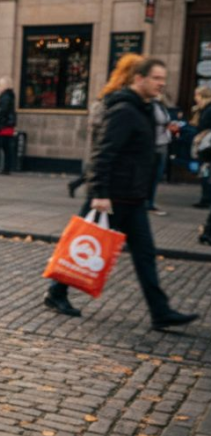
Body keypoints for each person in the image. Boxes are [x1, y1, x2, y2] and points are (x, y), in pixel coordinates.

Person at [44, 58, 198, 331]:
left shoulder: (146, 109)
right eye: (156, 78)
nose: (162, 83)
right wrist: (99, 193)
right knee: (80, 246)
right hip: (111, 199)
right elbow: (103, 153)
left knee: (145, 255)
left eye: (163, 78)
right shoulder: (125, 110)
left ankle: (160, 311)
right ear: (139, 79)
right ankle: (56, 292)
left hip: (133, 198)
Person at [68, 54, 143, 198]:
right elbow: (104, 148)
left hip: (127, 184)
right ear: (136, 77)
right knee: (93, 215)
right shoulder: (118, 102)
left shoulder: (140, 104)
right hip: (113, 180)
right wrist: (100, 191)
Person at [0, 77, 16, 175]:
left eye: (0, 85)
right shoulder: (9, 96)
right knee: (6, 148)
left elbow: (2, 110)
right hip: (6, 125)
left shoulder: (5, 97)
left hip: (2, 126)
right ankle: (5, 168)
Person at [191, 85, 211, 209]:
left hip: (207, 144)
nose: (195, 98)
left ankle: (206, 199)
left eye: (196, 95)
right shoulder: (204, 109)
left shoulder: (208, 109)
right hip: (206, 143)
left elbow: (203, 125)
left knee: (205, 171)